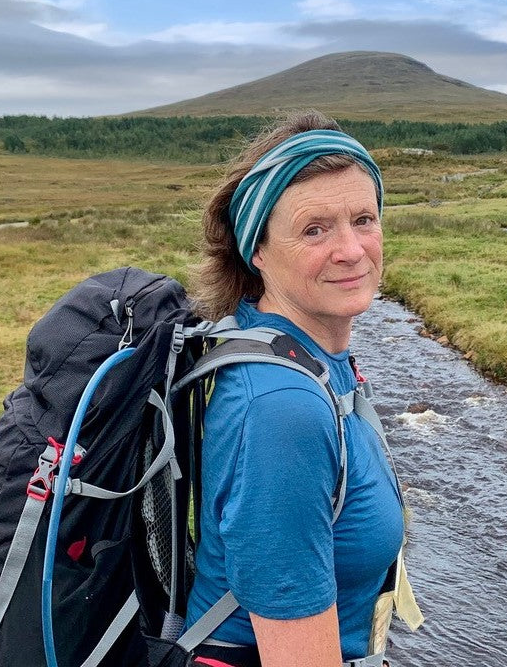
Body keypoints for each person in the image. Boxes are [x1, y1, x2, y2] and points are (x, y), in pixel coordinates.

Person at [183, 111, 417, 667]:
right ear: (256, 251)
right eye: (315, 229)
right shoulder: (281, 409)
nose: (352, 250)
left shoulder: (307, 357)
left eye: (364, 219)